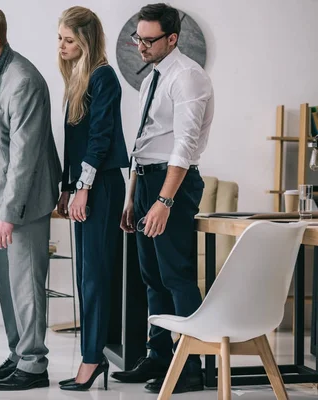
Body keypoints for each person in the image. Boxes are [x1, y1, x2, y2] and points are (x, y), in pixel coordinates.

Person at [0, 1, 62, 391]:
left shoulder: (22, 79)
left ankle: (35, 364)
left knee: (25, 284)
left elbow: (24, 155)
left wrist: (9, 213)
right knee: (7, 283)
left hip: (25, 201)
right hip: (1, 201)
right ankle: (19, 354)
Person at [115, 3, 214, 394]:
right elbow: (145, 145)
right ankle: (160, 357)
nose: (140, 45)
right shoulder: (152, 77)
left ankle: (190, 369)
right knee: (151, 278)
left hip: (173, 186)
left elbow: (183, 149)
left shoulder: (188, 77)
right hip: (146, 182)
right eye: (138, 37)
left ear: (172, 38)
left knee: (177, 276)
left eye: (149, 39)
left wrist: (164, 201)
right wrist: (132, 196)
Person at [55, 6, 129, 392]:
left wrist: (83, 187)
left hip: (101, 186)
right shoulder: (77, 80)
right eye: (61, 39)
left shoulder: (104, 77)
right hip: (84, 185)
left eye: (69, 40)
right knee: (88, 275)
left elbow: (100, 137)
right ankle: (92, 354)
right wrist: (67, 188)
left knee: (95, 275)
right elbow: (74, 144)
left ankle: (92, 358)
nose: (62, 46)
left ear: (85, 41)